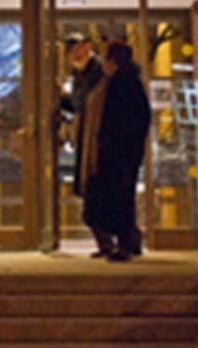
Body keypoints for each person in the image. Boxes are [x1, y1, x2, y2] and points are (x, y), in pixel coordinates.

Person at [80, 39, 151, 261]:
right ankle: (120, 242)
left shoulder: (124, 84)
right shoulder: (109, 82)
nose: (102, 63)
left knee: (118, 198)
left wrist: (112, 143)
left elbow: (134, 119)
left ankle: (125, 245)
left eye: (106, 58)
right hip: (108, 153)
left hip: (115, 155)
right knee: (111, 198)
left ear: (114, 61)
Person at [59, 32, 103, 197]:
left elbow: (83, 103)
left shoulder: (96, 71)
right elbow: (77, 105)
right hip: (86, 130)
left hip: (96, 133)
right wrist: (62, 98)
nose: (74, 55)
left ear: (88, 47)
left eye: (77, 49)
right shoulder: (79, 72)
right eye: (71, 52)